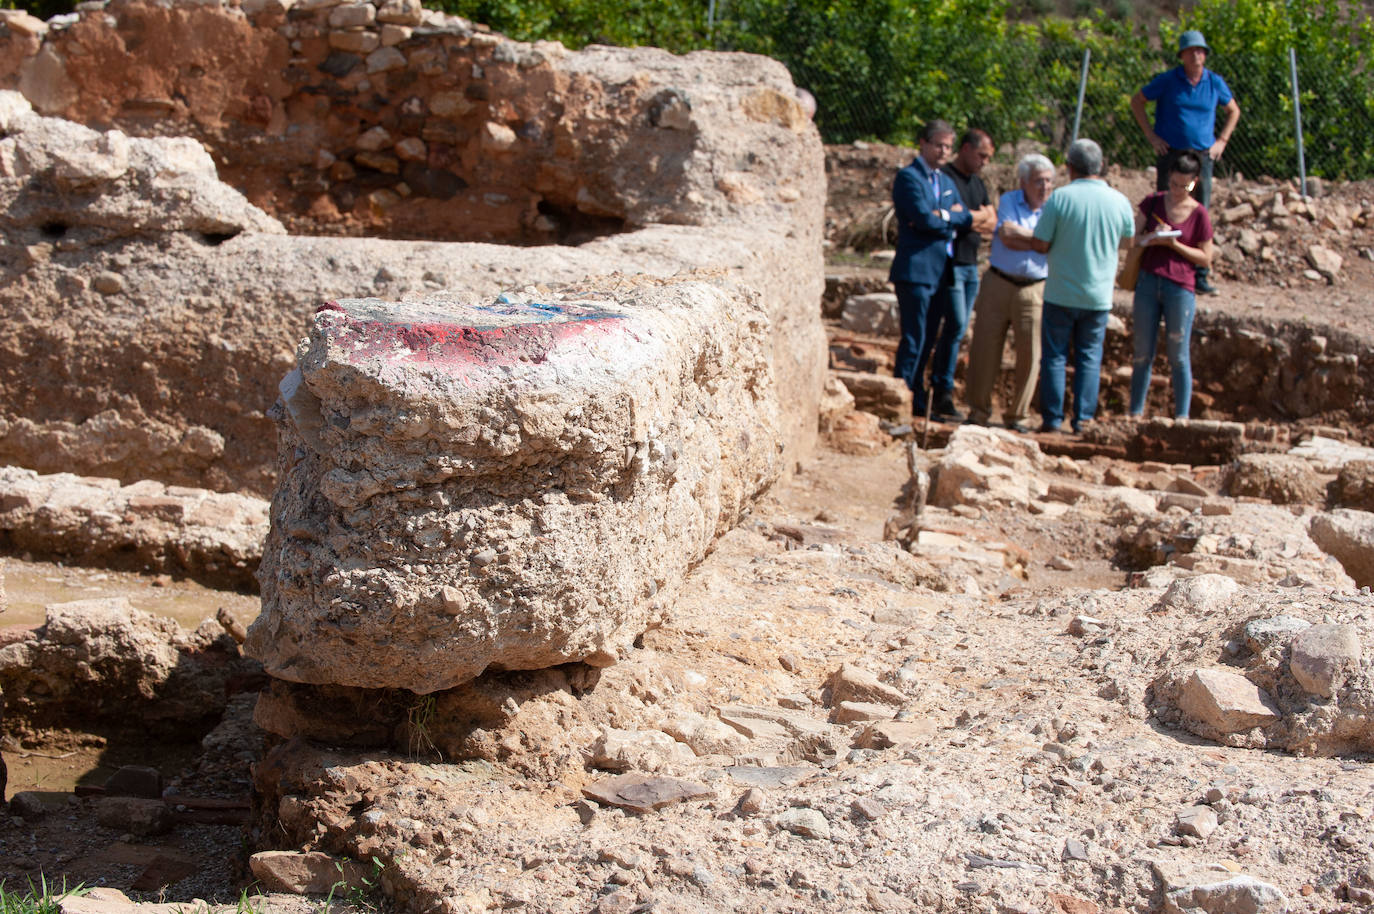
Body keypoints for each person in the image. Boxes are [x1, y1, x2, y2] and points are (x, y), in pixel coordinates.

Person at [1027, 138, 1134, 434]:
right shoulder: (1118, 200)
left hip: (1061, 291)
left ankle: (1051, 419)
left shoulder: (1060, 199)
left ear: (1070, 167)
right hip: (1098, 295)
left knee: (1055, 357)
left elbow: (1040, 242)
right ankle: (1083, 420)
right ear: (1100, 166)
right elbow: (1127, 241)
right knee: (1089, 358)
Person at [888, 120, 995, 415]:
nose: (944, 151)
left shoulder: (945, 182)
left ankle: (919, 401)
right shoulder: (909, 178)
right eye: (939, 145)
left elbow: (961, 217)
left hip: (941, 271)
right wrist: (951, 218)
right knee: (914, 338)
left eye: (948, 146)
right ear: (923, 143)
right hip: (916, 270)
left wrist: (945, 216)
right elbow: (924, 218)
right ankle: (900, 401)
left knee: (928, 341)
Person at [1130, 29, 1239, 295]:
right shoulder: (1168, 80)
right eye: (1191, 51)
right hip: (1171, 155)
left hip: (1201, 158)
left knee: (1199, 209)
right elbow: (1137, 102)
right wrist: (1151, 136)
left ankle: (1198, 274)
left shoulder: (1214, 82)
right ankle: (1153, 269)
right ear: (1182, 55)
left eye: (1201, 51)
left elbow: (1233, 110)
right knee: (1164, 207)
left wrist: (1222, 141)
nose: (1197, 55)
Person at [964, 154, 1055, 433]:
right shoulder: (1009, 201)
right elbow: (1005, 235)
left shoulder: (1055, 207)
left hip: (1035, 287)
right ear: (1024, 182)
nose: (1045, 188)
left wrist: (1029, 237)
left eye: (1049, 181)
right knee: (984, 348)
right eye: (1039, 181)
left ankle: (1019, 416)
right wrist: (1039, 240)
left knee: (1030, 353)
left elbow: (1048, 243)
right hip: (998, 282)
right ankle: (978, 411)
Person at [1129, 152, 1213, 420]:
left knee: (1178, 355)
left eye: (1184, 185)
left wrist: (1175, 245)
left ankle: (1182, 417)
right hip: (1148, 282)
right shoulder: (1152, 203)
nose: (1177, 190)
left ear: (1194, 183)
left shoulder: (1199, 214)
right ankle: (1135, 412)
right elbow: (1131, 238)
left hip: (1180, 287)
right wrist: (1151, 238)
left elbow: (1205, 258)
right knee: (1142, 352)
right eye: (1174, 184)